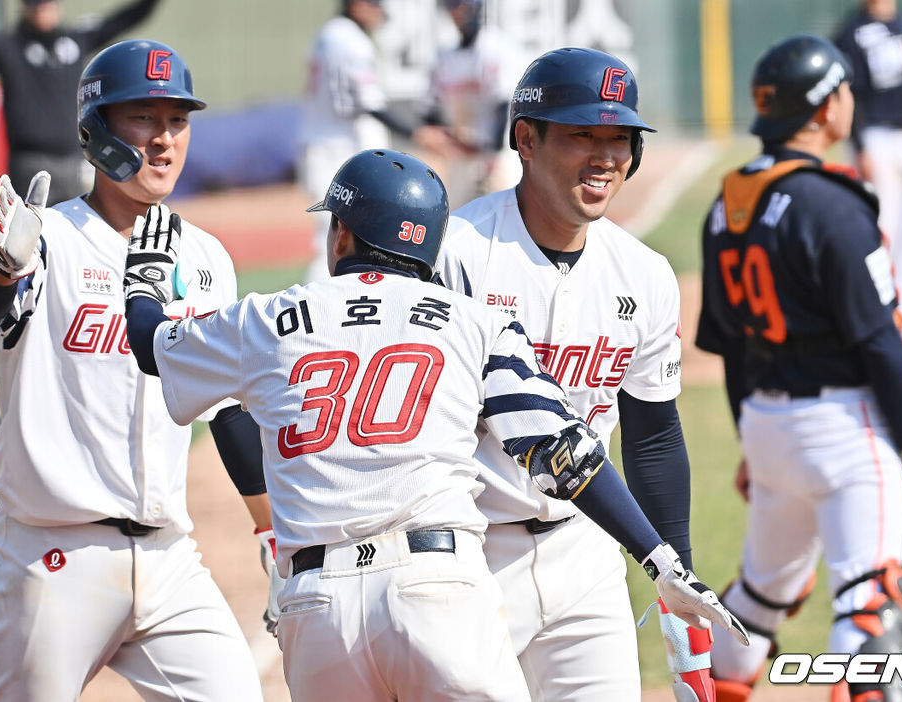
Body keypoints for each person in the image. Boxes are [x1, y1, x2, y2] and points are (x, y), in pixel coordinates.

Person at [122, 147, 748, 702]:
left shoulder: (268, 317)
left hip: (318, 602)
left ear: (341, 235)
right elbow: (565, 454)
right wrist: (661, 559)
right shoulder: (474, 324)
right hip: (437, 588)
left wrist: (143, 281)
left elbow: (152, 347)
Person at [0, 39, 264, 702]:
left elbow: (226, 412)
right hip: (52, 561)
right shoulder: (48, 239)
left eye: (177, 120)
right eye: (143, 118)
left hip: (172, 564)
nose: (165, 139)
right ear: (96, 134)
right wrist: (0, 268)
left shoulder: (206, 259)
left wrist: (270, 529)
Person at [436, 47, 716, 701]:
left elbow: (652, 436)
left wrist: (678, 574)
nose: (605, 157)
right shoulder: (456, 255)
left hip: (584, 555)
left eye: (619, 138)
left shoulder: (643, 275)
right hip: (466, 557)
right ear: (527, 140)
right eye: (581, 135)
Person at [695, 34, 902, 702]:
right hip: (845, 431)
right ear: (825, 107)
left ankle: (706, 684)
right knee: (872, 609)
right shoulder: (834, 203)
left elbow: (731, 347)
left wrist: (751, 438)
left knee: (757, 598)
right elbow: (881, 343)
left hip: (769, 428)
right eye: (845, 92)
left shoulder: (727, 206)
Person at [297, 0, 457, 284]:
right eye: (377, 6)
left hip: (327, 147)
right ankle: (317, 308)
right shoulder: (349, 40)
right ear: (358, 5)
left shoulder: (327, 35)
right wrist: (418, 132)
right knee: (334, 237)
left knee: (347, 238)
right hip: (338, 153)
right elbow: (369, 102)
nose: (381, 15)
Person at [0, 0, 162, 205]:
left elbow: (120, 22)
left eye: (47, 4)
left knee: (70, 230)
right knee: (27, 230)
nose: (42, 10)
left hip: (71, 160)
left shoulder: (74, 41)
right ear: (25, 9)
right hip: (29, 161)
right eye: (36, 5)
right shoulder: (12, 46)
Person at [833, 0, 902, 348]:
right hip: (878, 137)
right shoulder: (850, 32)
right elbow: (847, 93)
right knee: (883, 227)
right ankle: (879, 317)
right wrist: (860, 144)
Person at [421, 0, 524, 207]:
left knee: (510, 212)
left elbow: (504, 104)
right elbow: (430, 110)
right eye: (454, 6)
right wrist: (443, 138)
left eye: (464, 5)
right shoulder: (444, 57)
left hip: (499, 153)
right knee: (457, 216)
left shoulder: (496, 46)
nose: (459, 12)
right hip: (461, 155)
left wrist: (493, 152)